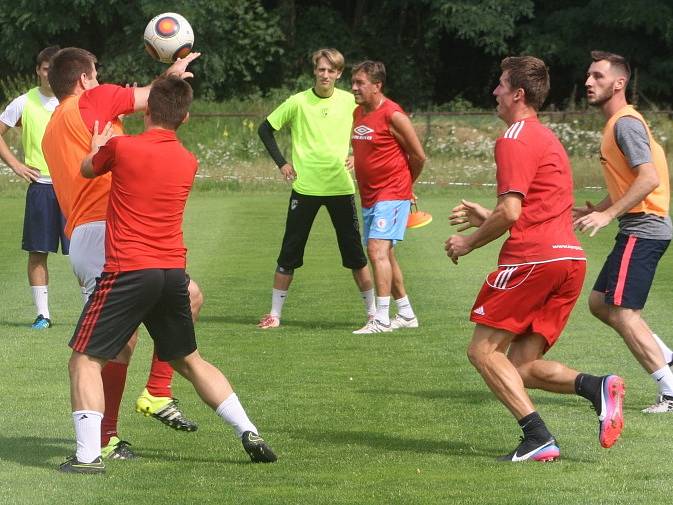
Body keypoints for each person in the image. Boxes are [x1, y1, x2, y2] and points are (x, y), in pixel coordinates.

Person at [57, 75, 276, 474]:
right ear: (186, 117)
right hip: (172, 272)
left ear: (147, 111)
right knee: (191, 360)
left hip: (128, 270)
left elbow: (88, 170)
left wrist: (96, 147)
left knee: (84, 361)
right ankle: (249, 430)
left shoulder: (122, 147)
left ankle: (88, 457)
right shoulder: (188, 160)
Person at [445, 56, 625, 462]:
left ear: (518, 94)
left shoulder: (513, 137)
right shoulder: (547, 138)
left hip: (533, 261)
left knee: (482, 352)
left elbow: (511, 211)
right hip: (569, 262)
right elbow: (532, 207)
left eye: (501, 85)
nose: (495, 92)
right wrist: (487, 217)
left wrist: (469, 242)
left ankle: (538, 437)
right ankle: (596, 386)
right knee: (522, 366)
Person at [42, 47, 199, 460]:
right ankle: (123, 421)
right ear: (83, 80)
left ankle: (138, 407)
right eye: (97, 73)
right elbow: (156, 101)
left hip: (85, 237)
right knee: (105, 347)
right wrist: (175, 74)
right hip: (103, 235)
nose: (101, 79)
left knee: (129, 336)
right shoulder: (94, 99)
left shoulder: (56, 125)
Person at [575, 50, 673, 413]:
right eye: (588, 76)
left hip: (643, 228)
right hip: (641, 227)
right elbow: (630, 179)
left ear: (619, 83)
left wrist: (608, 215)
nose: (588, 82)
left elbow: (648, 178)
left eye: (597, 76)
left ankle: (670, 390)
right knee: (600, 303)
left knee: (622, 311)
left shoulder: (624, 123)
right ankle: (668, 359)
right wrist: (599, 208)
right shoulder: (619, 122)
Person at [256, 48, 374, 329]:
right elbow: (265, 129)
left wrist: (358, 155)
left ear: (338, 74)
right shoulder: (298, 102)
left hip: (340, 188)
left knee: (355, 255)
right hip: (305, 188)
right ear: (314, 71)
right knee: (289, 253)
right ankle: (275, 314)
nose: (325, 74)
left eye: (331, 70)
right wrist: (282, 163)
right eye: (321, 69)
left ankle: (374, 314)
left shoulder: (350, 101)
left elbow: (371, 127)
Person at [349, 61, 425, 334]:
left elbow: (418, 156)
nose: (354, 87)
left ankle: (380, 319)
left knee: (376, 250)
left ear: (377, 86)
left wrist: (406, 185)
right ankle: (405, 313)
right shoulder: (358, 113)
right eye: (354, 82)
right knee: (385, 255)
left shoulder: (394, 115)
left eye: (360, 83)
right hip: (370, 196)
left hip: (391, 193)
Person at [0, 46, 66, 329]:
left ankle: (93, 311)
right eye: (46, 69)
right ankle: (43, 315)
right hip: (41, 187)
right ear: (39, 70)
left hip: (74, 189)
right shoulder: (23, 102)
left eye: (55, 69)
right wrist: (16, 164)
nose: (50, 75)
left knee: (85, 253)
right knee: (38, 252)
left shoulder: (75, 101)